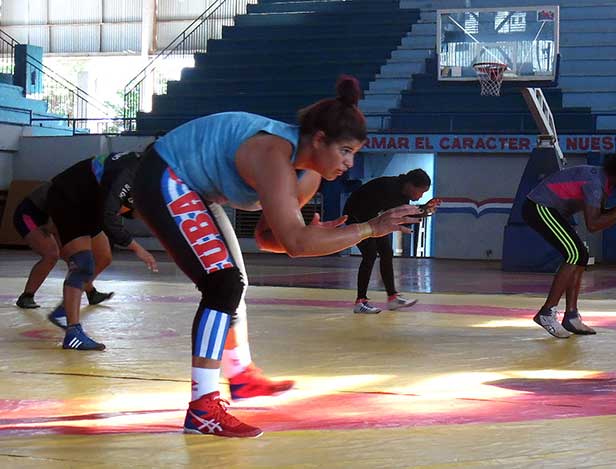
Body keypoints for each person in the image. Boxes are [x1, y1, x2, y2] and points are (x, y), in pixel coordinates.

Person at [132, 76, 420, 438]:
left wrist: (326, 235)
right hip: (164, 174)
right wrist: (369, 228)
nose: (349, 163)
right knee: (223, 282)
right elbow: (297, 244)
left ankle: (242, 378)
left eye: (354, 155)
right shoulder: (274, 154)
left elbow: (269, 239)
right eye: (345, 151)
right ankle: (202, 409)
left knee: (233, 282)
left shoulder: (308, 177)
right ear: (318, 139)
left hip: (196, 188)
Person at [524, 147, 616, 338]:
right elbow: (594, 225)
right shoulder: (596, 183)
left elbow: (600, 217)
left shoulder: (604, 183)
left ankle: (571, 316)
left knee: (581, 254)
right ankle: (547, 313)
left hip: (551, 209)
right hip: (539, 206)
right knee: (575, 253)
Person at [46, 152, 158, 349]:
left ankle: (64, 310)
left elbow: (127, 209)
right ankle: (72, 333)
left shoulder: (144, 172)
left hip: (89, 204)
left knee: (103, 257)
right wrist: (136, 247)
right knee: (83, 265)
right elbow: (109, 215)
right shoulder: (129, 170)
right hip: (68, 198)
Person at [342, 169, 438, 314]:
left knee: (387, 252)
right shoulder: (388, 187)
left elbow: (403, 219)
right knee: (370, 254)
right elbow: (391, 213)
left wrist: (425, 210)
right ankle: (360, 302)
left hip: (373, 220)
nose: (421, 195)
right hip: (356, 216)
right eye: (421, 192)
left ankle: (392, 297)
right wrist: (421, 210)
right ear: (411, 185)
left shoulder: (403, 195)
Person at [13, 182, 114, 309]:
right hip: (31, 215)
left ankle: (91, 292)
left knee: (84, 256)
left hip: (61, 213)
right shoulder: (78, 192)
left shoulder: (101, 196)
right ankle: (27, 296)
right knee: (51, 255)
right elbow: (53, 224)